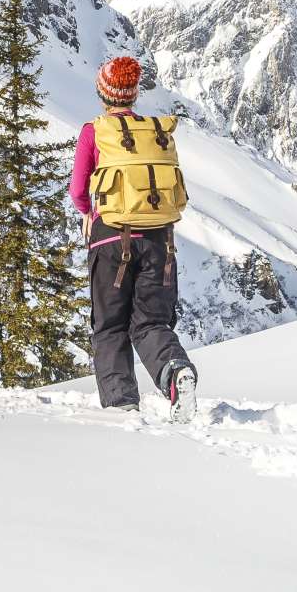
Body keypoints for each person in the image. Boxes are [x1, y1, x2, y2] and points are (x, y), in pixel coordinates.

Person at [72, 55, 198, 419]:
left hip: (110, 239)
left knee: (110, 324)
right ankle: (174, 371)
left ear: (103, 91)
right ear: (134, 93)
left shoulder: (95, 132)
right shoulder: (154, 132)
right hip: (161, 241)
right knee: (151, 323)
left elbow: (78, 189)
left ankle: (122, 405)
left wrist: (87, 212)